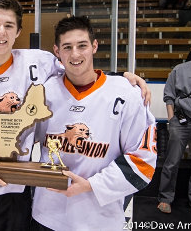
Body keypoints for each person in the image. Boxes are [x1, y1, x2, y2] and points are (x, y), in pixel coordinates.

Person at [0, 0, 151, 231]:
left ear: (19, 31)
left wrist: (119, 77)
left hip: (16, 191)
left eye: (9, 26)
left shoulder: (38, 63)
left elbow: (78, 68)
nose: (1, 32)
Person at [30, 16, 157, 231]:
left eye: (82, 46)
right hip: (46, 215)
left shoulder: (127, 94)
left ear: (94, 46)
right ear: (57, 51)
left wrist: (91, 186)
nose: (76, 54)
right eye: (67, 47)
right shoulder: (43, 92)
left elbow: (143, 161)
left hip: (100, 220)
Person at [157, 35, 191, 216]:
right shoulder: (180, 70)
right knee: (172, 162)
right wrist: (171, 120)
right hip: (181, 122)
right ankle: (165, 198)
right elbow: (169, 95)